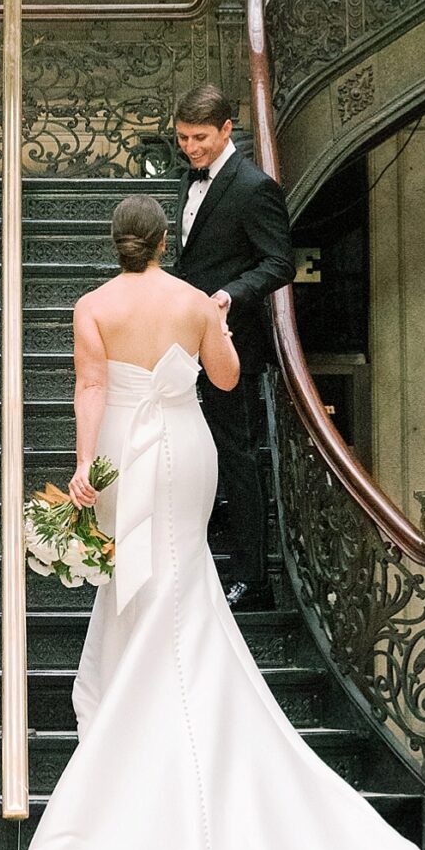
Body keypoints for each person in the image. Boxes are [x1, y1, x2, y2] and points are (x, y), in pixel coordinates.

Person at [14, 193, 425, 850]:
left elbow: (89, 390)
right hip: (185, 449)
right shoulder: (190, 300)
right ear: (165, 242)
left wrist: (81, 472)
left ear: (115, 244)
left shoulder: (91, 306)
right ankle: (180, 707)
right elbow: (225, 378)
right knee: (183, 579)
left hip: (120, 457)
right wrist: (217, 328)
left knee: (140, 585)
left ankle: (142, 709)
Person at [169, 81, 295, 609]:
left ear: (227, 129)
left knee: (237, 456)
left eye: (200, 138)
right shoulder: (187, 180)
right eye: (182, 138)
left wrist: (228, 294)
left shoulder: (253, 187)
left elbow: (279, 262)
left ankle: (253, 578)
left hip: (231, 342)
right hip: (181, 341)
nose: (191, 148)